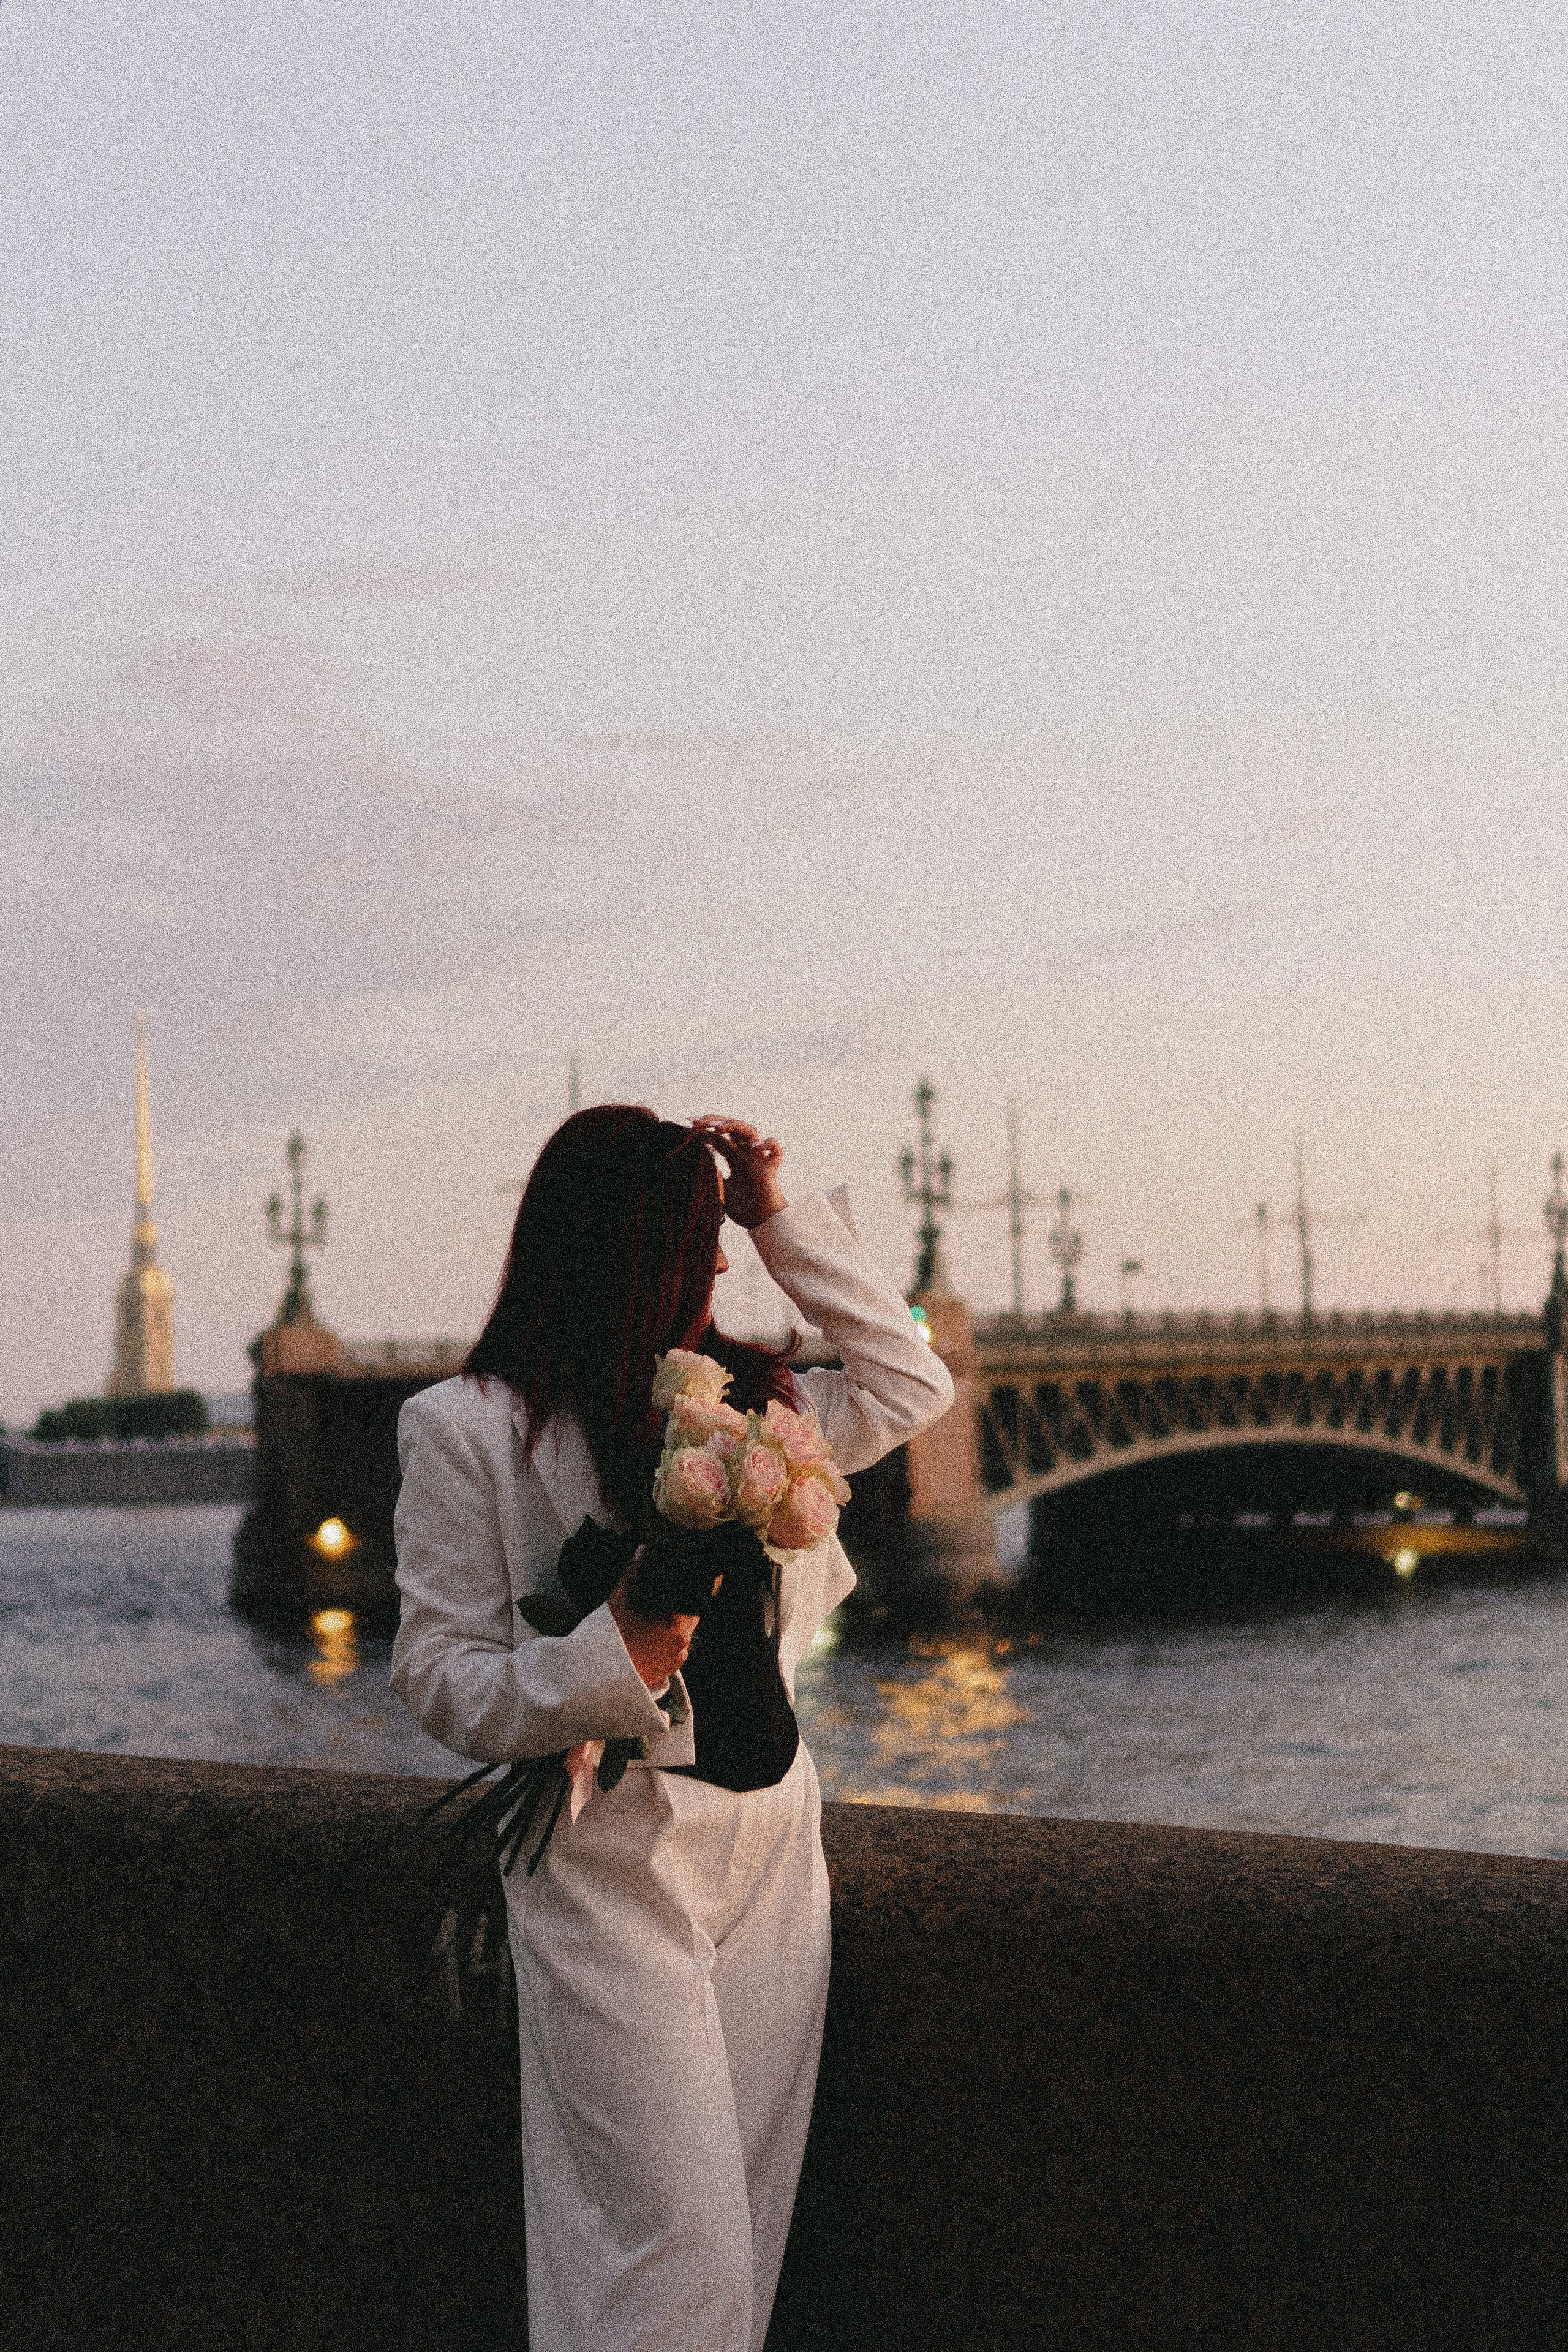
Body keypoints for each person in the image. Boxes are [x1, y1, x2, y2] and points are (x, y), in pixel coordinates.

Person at [391, 1107, 954, 2352]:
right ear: (624, 1251)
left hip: (773, 1841)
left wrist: (778, 1216)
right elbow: (437, 1681)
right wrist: (615, 1653)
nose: (720, 1265)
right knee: (677, 2244)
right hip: (612, 1859)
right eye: (702, 1242)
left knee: (741, 2229)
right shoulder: (465, 1429)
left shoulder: (759, 1399)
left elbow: (911, 1383)